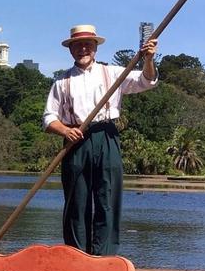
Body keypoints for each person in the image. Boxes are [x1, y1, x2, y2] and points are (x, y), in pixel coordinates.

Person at [43, 24, 158, 256]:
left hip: (106, 136)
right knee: (77, 202)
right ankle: (77, 256)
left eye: (88, 44)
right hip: (76, 141)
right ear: (70, 50)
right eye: (78, 45)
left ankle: (104, 257)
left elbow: (146, 81)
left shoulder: (114, 73)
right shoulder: (61, 82)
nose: (83, 49)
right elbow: (48, 119)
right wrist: (65, 131)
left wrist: (148, 59)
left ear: (95, 48)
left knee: (107, 197)